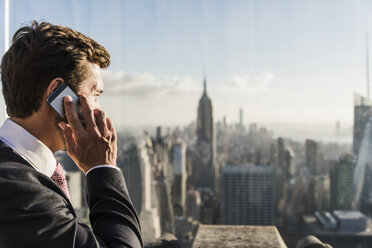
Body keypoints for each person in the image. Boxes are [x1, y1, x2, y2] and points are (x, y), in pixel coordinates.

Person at [0, 21, 143, 248]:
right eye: (95, 94)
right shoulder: (18, 191)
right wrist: (102, 168)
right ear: (58, 94)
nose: (100, 110)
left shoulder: (17, 169)